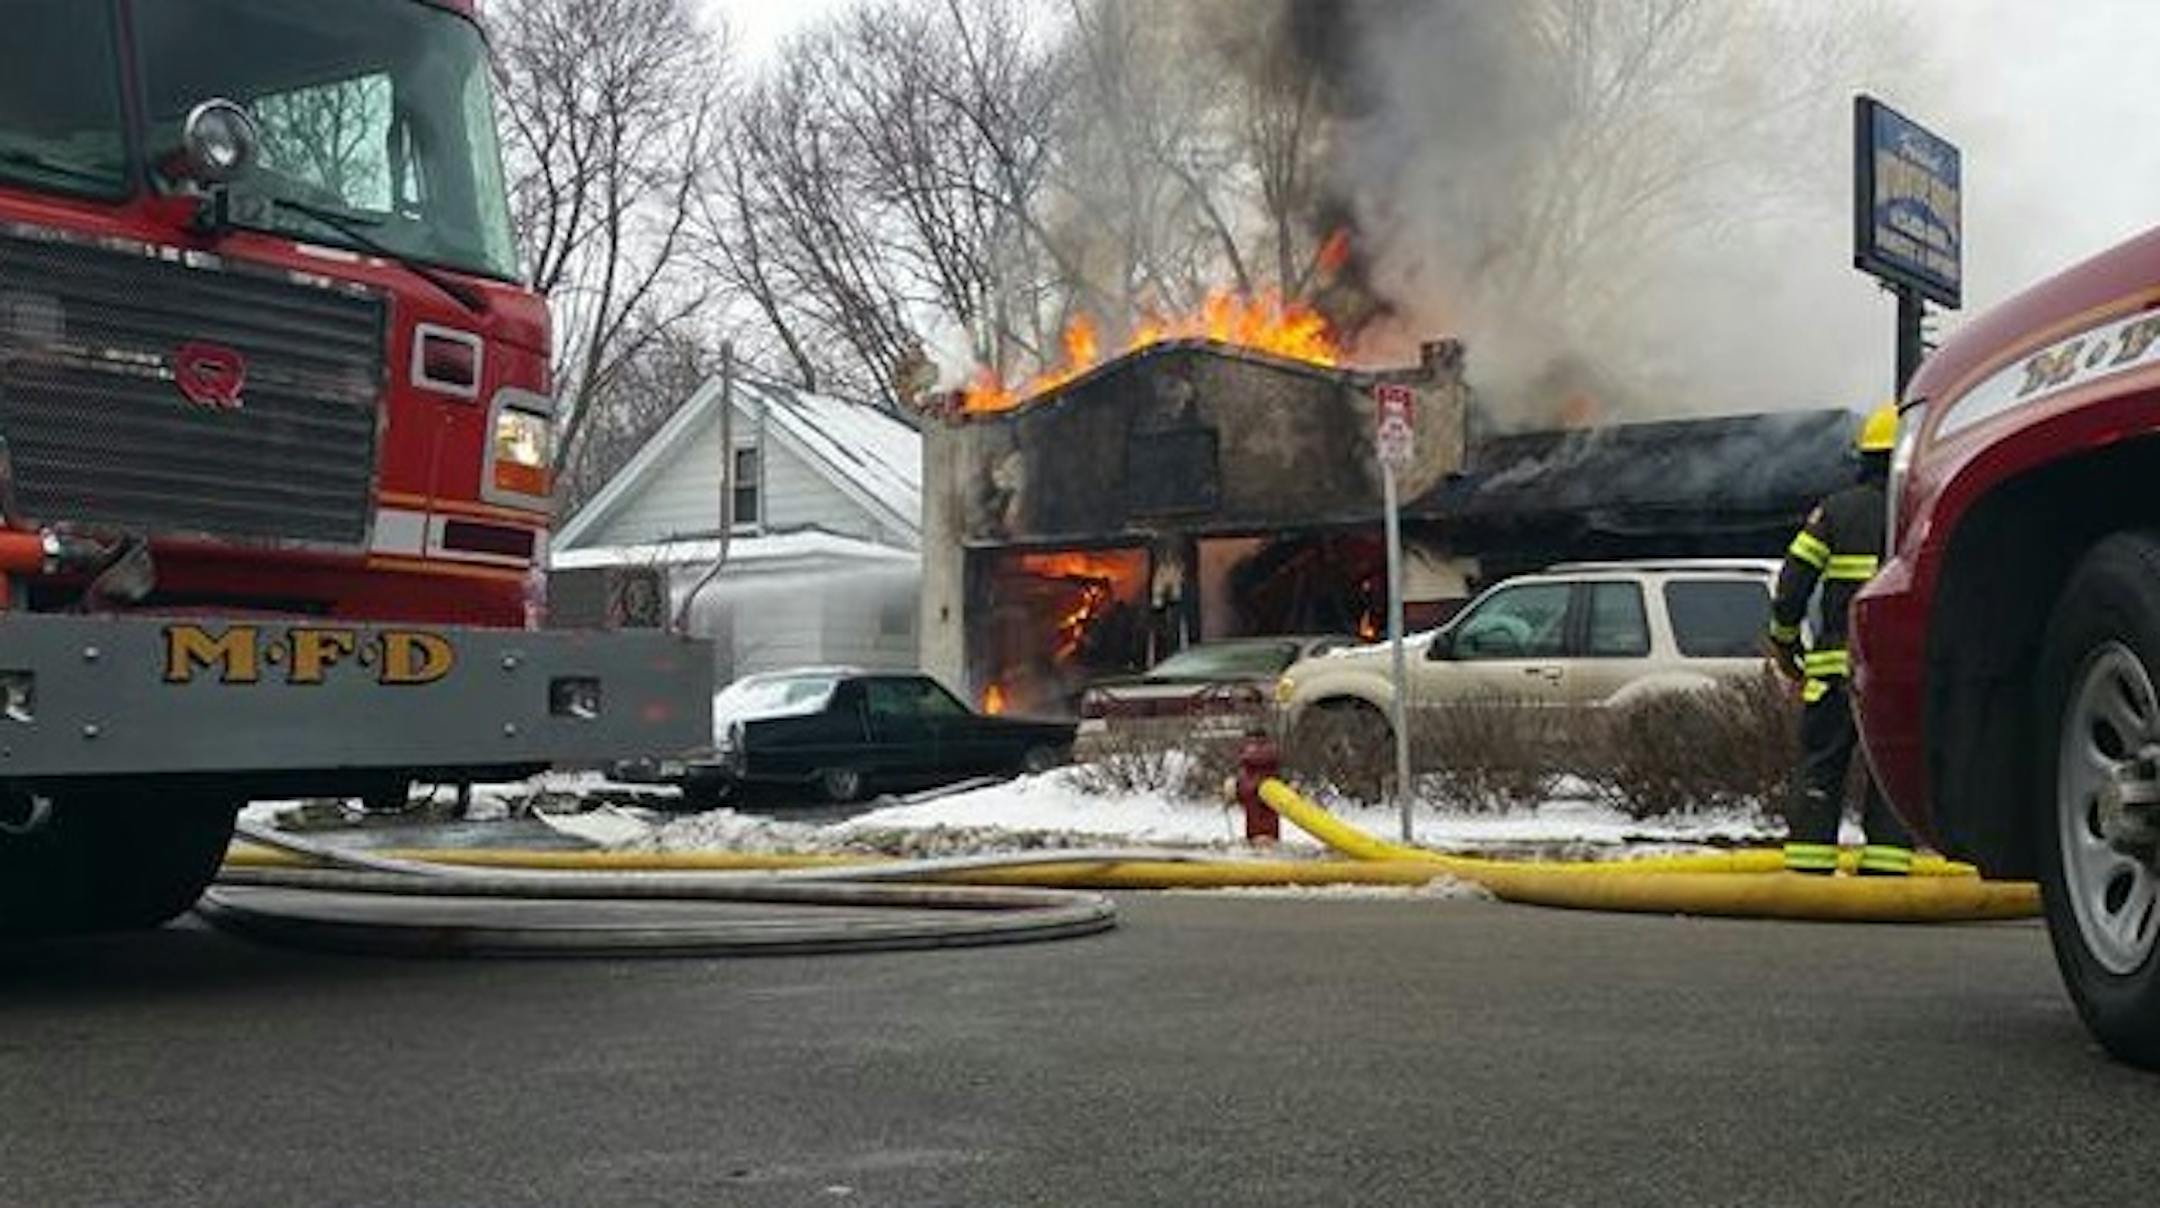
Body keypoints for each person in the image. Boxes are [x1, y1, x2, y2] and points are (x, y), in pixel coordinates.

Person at [1763, 403, 1915, 877]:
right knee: (1894, 769)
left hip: (1833, 671)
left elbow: (1791, 589)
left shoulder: (1835, 511)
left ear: (1865, 457)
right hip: (1902, 674)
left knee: (1821, 765)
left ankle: (1809, 866)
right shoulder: (1923, 510)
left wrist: (1786, 646)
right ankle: (1888, 869)